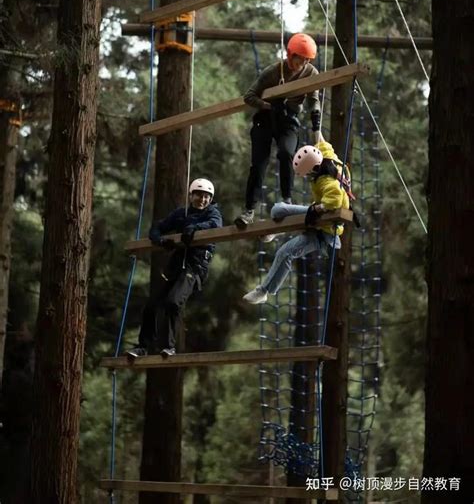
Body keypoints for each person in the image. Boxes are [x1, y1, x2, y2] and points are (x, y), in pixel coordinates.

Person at [243, 141, 350, 304]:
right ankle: (279, 230)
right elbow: (324, 144)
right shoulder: (327, 158)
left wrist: (318, 209)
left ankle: (264, 291)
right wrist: (316, 126)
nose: (307, 176)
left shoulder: (327, 181)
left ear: (314, 168)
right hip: (317, 217)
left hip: (325, 233)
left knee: (284, 253)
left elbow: (335, 200)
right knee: (277, 210)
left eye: (307, 173)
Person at [127, 178, 223, 358]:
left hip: (195, 267)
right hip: (176, 266)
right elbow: (158, 227)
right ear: (191, 195)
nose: (202, 200)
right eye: (199, 196)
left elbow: (215, 225)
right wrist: (160, 240)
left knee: (173, 302)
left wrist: (194, 228)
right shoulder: (181, 213)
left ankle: (168, 346)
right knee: (151, 306)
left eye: (206, 197)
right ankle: (143, 346)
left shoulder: (212, 212)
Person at [235, 33, 322, 228]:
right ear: (291, 55)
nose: (304, 63)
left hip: (288, 120)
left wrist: (315, 113)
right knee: (258, 164)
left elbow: (313, 99)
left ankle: (287, 201)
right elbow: (249, 96)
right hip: (265, 119)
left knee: (286, 153)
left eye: (308, 59)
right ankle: (249, 210)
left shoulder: (311, 72)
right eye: (301, 58)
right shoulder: (273, 72)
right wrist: (267, 106)